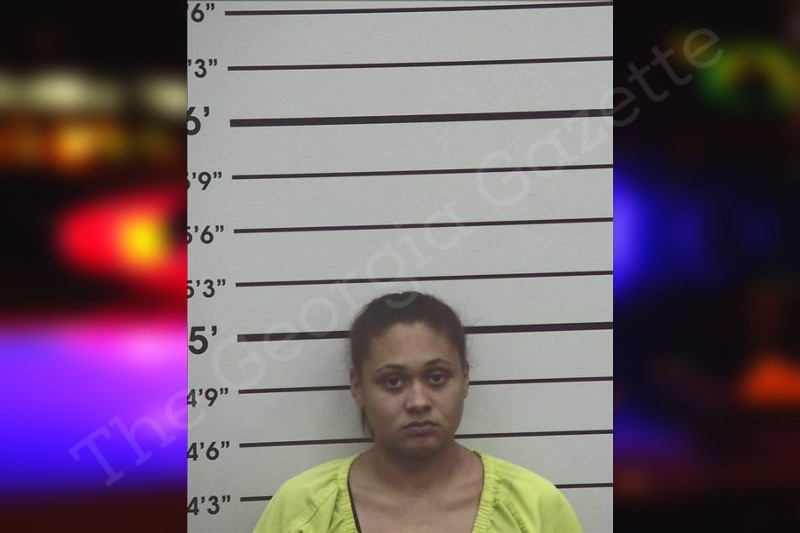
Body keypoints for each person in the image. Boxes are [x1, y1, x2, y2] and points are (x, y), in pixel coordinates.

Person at [252, 291, 582, 532]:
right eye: (393, 381)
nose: (418, 401)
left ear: (465, 378)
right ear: (358, 387)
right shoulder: (301, 509)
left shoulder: (535, 507)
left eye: (437, 377)